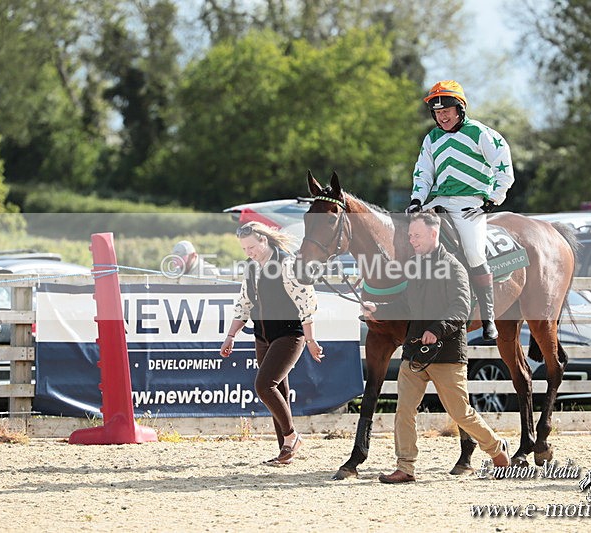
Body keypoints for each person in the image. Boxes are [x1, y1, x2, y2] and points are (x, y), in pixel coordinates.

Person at [361, 213, 510, 483]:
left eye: (416, 236)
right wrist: (379, 310)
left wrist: (436, 329)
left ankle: (496, 448)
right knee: (404, 410)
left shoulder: (454, 268)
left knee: (459, 413)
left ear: (433, 234)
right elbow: (405, 304)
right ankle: (406, 467)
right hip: (415, 352)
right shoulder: (416, 266)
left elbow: (461, 308)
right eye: (410, 236)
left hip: (447, 355)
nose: (412, 241)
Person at [405, 80, 515, 340]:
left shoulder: (481, 133)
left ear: (460, 109)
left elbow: (504, 166)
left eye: (447, 111)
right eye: (437, 112)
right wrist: (417, 199)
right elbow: (423, 172)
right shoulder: (431, 138)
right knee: (408, 240)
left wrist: (494, 199)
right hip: (437, 202)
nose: (442, 116)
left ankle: (488, 316)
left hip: (470, 206)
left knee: (474, 251)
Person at [220, 221, 324, 465]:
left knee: (265, 385)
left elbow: (306, 303)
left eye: (252, 247)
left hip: (290, 334)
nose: (249, 253)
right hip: (262, 336)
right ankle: (285, 450)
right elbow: (245, 302)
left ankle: (291, 436)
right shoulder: (251, 267)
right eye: (245, 249)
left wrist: (310, 339)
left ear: (264, 241)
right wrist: (231, 335)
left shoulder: (288, 265)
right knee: (280, 390)